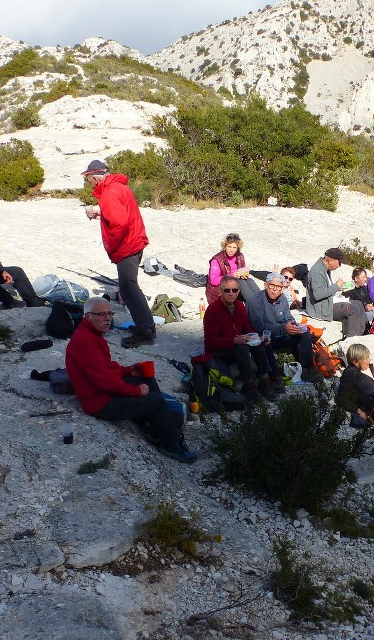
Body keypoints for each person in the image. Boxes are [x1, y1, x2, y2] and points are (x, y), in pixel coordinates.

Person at [66, 297, 197, 463]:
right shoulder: (85, 341)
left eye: (109, 313)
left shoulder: (93, 335)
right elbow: (105, 382)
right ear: (88, 317)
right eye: (101, 314)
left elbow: (106, 369)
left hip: (103, 392)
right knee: (155, 400)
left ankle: (155, 424)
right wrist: (136, 391)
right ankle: (170, 444)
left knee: (145, 377)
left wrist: (128, 371)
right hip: (100, 403)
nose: (108, 318)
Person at [81, 159, 155, 349]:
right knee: (129, 288)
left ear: (95, 178)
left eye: (88, 179)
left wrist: (113, 247)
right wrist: (99, 214)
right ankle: (145, 327)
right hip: (134, 242)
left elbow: (120, 224)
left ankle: (145, 331)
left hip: (127, 246)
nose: (88, 183)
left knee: (129, 289)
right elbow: (119, 215)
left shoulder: (109, 193)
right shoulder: (117, 188)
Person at [204, 275, 277, 401]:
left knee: (258, 344)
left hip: (237, 343)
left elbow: (247, 329)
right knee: (242, 347)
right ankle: (249, 384)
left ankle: (264, 378)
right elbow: (210, 342)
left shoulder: (239, 306)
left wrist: (259, 337)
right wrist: (233, 340)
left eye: (234, 290)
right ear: (220, 291)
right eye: (227, 290)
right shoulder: (213, 310)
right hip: (220, 349)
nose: (231, 293)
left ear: (238, 292)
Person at [247, 272, 322, 385]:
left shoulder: (282, 299)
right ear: (265, 285)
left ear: (282, 289)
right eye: (271, 285)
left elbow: (288, 318)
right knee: (265, 341)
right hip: (267, 336)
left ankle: (307, 369)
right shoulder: (256, 301)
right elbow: (258, 326)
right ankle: (274, 375)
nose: (274, 289)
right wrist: (283, 329)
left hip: (281, 334)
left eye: (278, 287)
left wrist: (294, 326)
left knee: (305, 332)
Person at [305, 247, 366, 338]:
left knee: (358, 303)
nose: (339, 265)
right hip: (320, 309)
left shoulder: (324, 269)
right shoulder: (317, 272)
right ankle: (351, 339)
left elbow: (324, 289)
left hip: (326, 303)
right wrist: (336, 286)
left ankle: (360, 334)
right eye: (339, 262)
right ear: (330, 260)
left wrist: (338, 288)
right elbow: (318, 295)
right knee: (352, 308)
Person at [206, 233, 261, 304]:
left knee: (250, 280)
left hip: (234, 284)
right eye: (229, 246)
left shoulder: (239, 256)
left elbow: (242, 269)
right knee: (241, 283)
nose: (231, 250)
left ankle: (261, 301)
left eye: (234, 247)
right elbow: (213, 281)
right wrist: (231, 276)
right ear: (225, 246)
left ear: (238, 248)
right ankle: (255, 305)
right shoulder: (217, 260)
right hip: (220, 289)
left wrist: (244, 274)